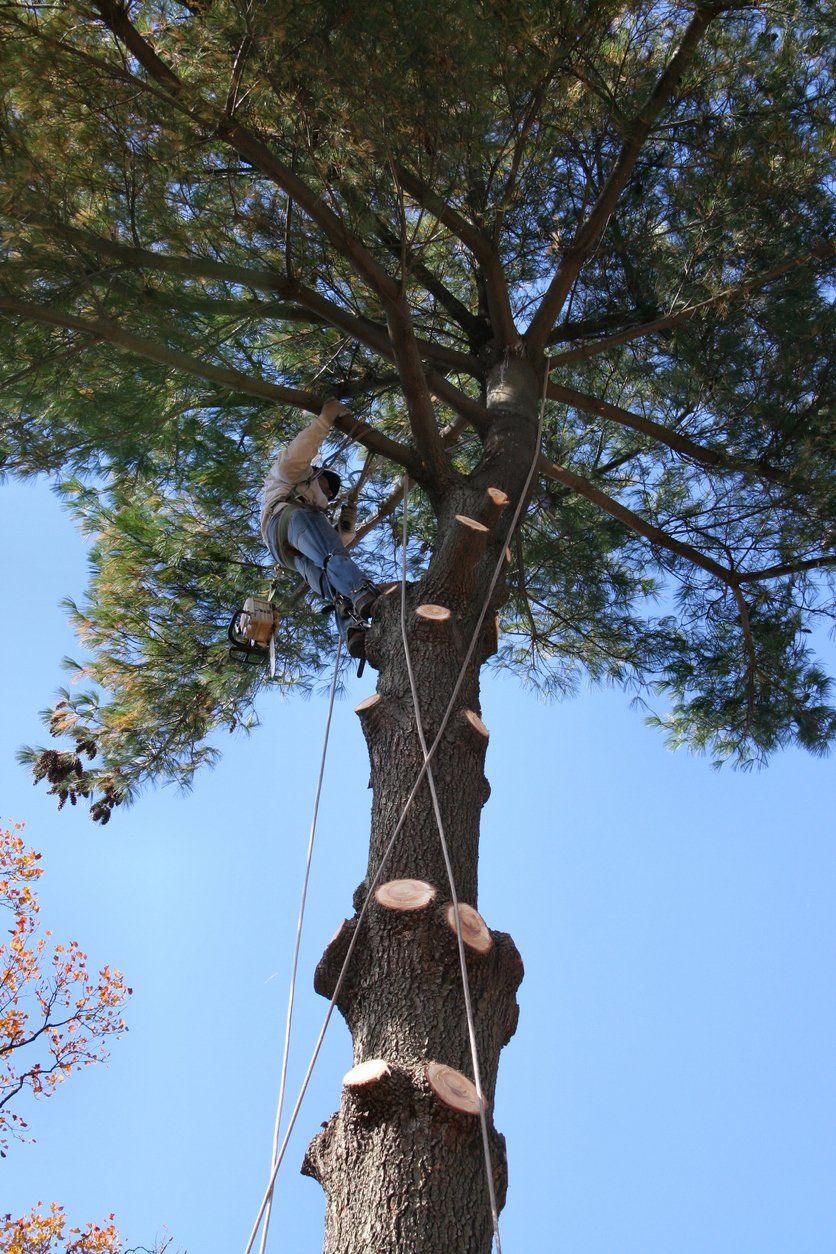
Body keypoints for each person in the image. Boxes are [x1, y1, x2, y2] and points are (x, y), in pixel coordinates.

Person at [260, 398, 380, 657]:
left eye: (329, 494)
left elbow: (330, 547)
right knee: (332, 556)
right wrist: (324, 421)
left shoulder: (315, 509)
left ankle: (352, 628)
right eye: (326, 486)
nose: (326, 493)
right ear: (317, 474)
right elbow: (299, 452)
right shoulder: (293, 475)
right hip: (287, 517)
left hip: (287, 550)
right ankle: (360, 592)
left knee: (329, 579)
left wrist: (346, 530)